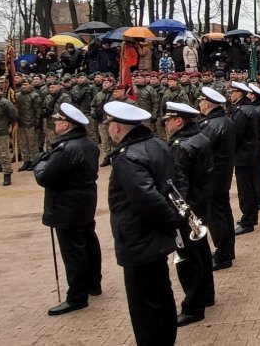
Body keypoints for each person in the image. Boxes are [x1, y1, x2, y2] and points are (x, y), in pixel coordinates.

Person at [104, 100, 179, 346]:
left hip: (138, 237)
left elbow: (146, 198)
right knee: (161, 292)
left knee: (144, 304)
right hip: (154, 236)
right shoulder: (157, 144)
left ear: (116, 128)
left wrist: (170, 220)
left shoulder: (127, 157)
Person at [31, 103, 102, 316]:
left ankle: (77, 296)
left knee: (73, 250)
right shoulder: (87, 143)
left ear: (67, 124)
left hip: (67, 203)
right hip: (84, 200)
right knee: (88, 240)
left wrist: (38, 164)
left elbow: (45, 177)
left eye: (58, 121)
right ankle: (93, 283)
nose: (55, 124)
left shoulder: (67, 148)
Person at [163, 101, 215, 327]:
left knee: (187, 258)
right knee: (202, 251)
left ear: (178, 120)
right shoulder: (200, 137)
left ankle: (193, 306)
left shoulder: (180, 146)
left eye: (168, 120)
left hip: (188, 207)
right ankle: (207, 294)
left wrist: (178, 213)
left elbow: (178, 185)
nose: (165, 124)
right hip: (202, 202)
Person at [197, 87, 237, 271]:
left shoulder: (211, 125)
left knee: (216, 216)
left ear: (207, 104)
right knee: (224, 212)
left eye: (201, 101)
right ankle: (227, 251)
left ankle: (223, 255)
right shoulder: (225, 120)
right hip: (223, 173)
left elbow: (201, 150)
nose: (199, 104)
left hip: (213, 175)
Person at [228, 82, 259, 234]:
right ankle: (251, 217)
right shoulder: (248, 108)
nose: (230, 95)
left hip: (243, 155)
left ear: (239, 94)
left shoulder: (241, 112)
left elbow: (236, 135)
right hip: (249, 153)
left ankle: (248, 220)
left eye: (232, 92)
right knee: (250, 186)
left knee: (245, 189)